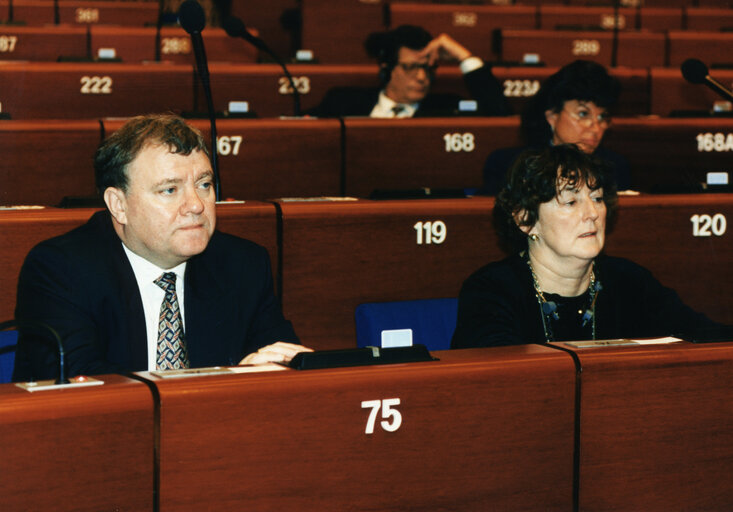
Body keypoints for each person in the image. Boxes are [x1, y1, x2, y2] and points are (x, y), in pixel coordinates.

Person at [13, 114, 310, 381]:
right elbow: (82, 387)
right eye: (169, 190)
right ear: (119, 205)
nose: (196, 205)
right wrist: (228, 378)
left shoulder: (242, 264)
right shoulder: (61, 269)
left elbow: (283, 362)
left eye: (205, 184)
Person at [452, 144, 732, 348]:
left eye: (597, 198)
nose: (592, 213)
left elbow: (705, 336)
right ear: (525, 219)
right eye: (571, 202)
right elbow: (497, 378)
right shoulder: (492, 290)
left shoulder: (629, 280)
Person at [481, 60, 631, 195]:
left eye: (602, 117)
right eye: (584, 114)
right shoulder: (510, 165)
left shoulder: (615, 167)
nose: (596, 128)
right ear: (552, 116)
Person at [308, 24, 512, 118]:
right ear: (386, 68)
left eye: (427, 68)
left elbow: (499, 112)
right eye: (411, 67)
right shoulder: (342, 102)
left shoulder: (448, 108)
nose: (422, 77)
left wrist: (462, 56)